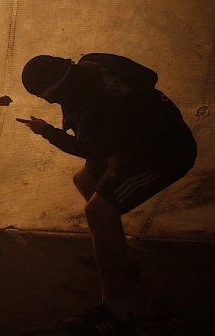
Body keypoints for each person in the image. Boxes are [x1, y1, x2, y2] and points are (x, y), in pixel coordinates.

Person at [17, 53, 196, 336]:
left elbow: (87, 148)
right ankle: (119, 263)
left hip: (163, 155)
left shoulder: (94, 110)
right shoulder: (93, 62)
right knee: (84, 180)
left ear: (54, 92)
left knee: (98, 212)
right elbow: (149, 74)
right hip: (134, 141)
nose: (50, 103)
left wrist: (46, 131)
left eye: (46, 97)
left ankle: (116, 312)